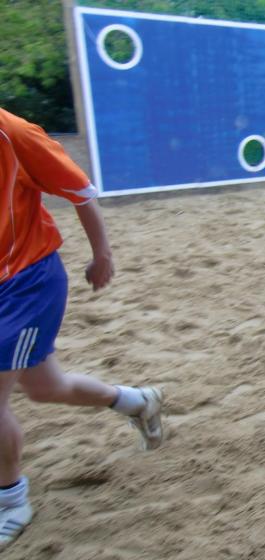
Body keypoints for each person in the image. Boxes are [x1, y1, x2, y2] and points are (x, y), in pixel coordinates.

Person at [0, 108, 165, 549]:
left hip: (25, 282)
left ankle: (10, 501)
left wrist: (102, 254)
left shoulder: (13, 133)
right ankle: (135, 401)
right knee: (44, 388)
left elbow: (79, 190)